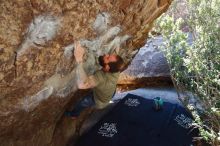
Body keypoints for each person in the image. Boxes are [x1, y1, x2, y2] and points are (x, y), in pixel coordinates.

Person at [65, 41, 125, 118]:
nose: (106, 55)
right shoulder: (116, 68)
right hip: (110, 92)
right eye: (108, 55)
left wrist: (79, 60)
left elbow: (82, 85)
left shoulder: (101, 78)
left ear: (107, 68)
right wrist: (117, 46)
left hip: (100, 100)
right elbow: (116, 57)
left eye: (107, 57)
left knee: (83, 102)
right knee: (98, 88)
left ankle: (74, 115)